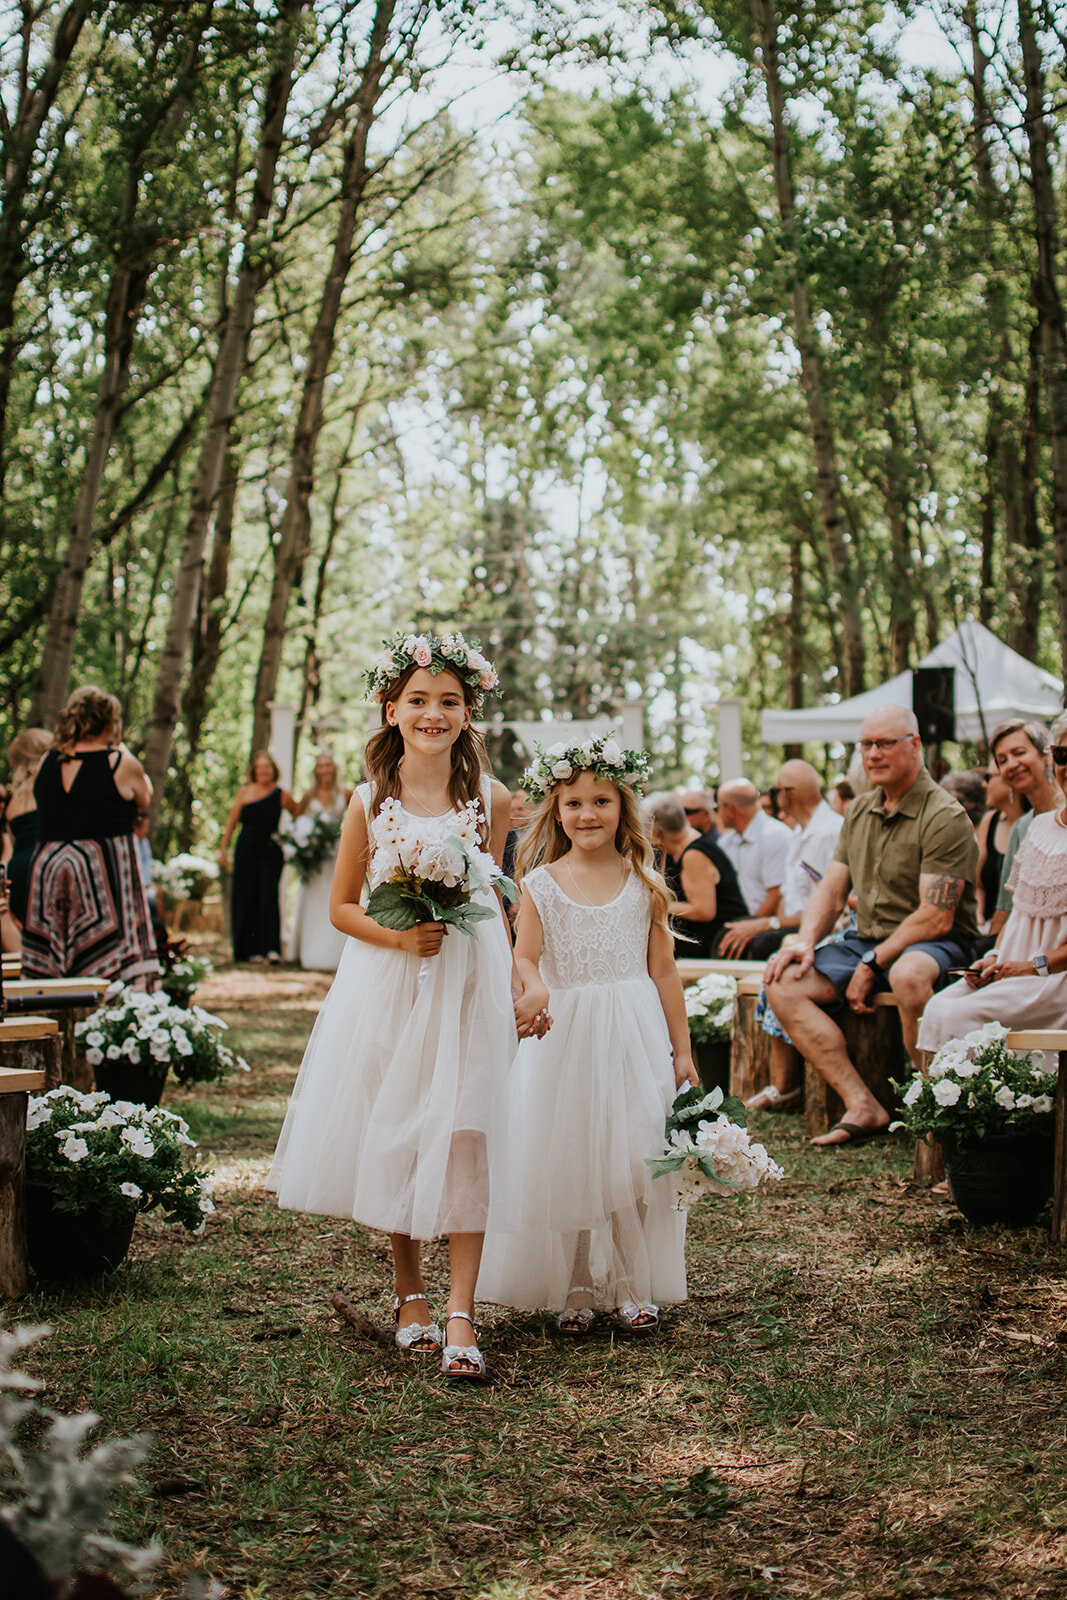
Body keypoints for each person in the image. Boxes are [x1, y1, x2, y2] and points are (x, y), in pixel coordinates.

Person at [268, 630, 525, 1382]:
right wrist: (401, 935)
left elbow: (499, 902)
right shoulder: (367, 801)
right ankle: (409, 1291)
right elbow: (341, 909)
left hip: (469, 981)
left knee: (467, 1132)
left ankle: (462, 1311)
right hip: (389, 983)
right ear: (391, 710)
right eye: (418, 700)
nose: (432, 713)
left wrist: (519, 984)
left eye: (449, 701)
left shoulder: (492, 801)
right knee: (399, 1132)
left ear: (468, 714)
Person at [477, 734, 696, 1335]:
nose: (587, 814)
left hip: (632, 1030)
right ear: (556, 811)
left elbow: (664, 970)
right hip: (565, 1033)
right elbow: (523, 959)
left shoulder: (643, 881)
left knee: (630, 1152)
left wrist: (681, 1049)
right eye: (573, 803)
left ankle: (628, 1276)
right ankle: (574, 1278)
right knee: (570, 1149)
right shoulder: (541, 884)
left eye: (601, 801)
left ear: (623, 807)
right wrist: (535, 985)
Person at [765, 705, 978, 1147]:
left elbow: (936, 916)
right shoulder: (859, 810)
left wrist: (872, 961)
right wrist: (805, 941)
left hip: (938, 941)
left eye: (885, 743)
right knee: (783, 981)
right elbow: (832, 889)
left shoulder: (945, 814)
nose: (873, 754)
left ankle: (938, 1116)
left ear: (915, 745)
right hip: (869, 939)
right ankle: (863, 1104)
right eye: (866, 744)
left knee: (908, 974)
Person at [917, 710, 1067, 1052]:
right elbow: (1017, 917)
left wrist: (1031, 967)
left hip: (1053, 981)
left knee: (958, 1014)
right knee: (939, 1006)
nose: (1066, 765)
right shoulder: (1038, 827)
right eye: (1062, 755)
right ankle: (948, 1103)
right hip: (1019, 969)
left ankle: (998, 1101)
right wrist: (996, 957)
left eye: (1019, 752)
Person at [21, 686, 159, 989]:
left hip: (51, 870)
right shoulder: (120, 763)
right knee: (112, 962)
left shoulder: (47, 761)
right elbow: (144, 798)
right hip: (103, 873)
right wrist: (121, 748)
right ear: (110, 724)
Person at [719, 760, 842, 960]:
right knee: (732, 936)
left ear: (786, 793)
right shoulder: (800, 832)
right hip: (791, 926)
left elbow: (835, 907)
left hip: (820, 934)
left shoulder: (831, 832)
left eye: (775, 790)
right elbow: (787, 897)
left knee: (760, 944)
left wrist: (768, 924)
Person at [645, 792, 748, 958]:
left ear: (657, 832)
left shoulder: (695, 854)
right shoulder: (675, 851)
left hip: (722, 941)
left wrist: (657, 906)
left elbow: (704, 911)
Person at [219, 751, 297, 964]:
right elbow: (231, 822)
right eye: (260, 767)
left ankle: (271, 948)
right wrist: (223, 849)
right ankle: (248, 950)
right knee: (247, 896)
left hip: (271, 853)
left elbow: (299, 815)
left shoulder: (281, 794)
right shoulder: (245, 792)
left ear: (273, 770)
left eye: (267, 767)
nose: (264, 771)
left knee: (268, 897)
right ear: (254, 771)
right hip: (245, 852)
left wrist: (290, 840)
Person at [986, 719, 1058, 939]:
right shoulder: (1021, 828)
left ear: (1046, 756)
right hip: (1023, 940)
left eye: (1019, 752)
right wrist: (990, 957)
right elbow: (1006, 907)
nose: (1012, 764)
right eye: (1002, 760)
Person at [291, 750, 350, 970]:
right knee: (314, 898)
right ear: (316, 770)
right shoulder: (309, 795)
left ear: (333, 769)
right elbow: (297, 820)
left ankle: (335, 953)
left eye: (328, 765)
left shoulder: (345, 794)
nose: (325, 769)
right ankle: (309, 950)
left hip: (336, 854)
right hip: (315, 858)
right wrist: (303, 842)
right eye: (321, 765)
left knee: (336, 897)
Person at [716, 779, 792, 920]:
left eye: (718, 807)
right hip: (736, 921)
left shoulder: (776, 835)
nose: (717, 813)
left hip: (769, 925)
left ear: (731, 810)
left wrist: (749, 925)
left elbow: (777, 894)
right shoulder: (725, 842)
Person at [3, 727, 50, 926]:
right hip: (44, 866)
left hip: (17, 872)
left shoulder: (13, 799)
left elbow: (13, 842)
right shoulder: (50, 786)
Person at [975, 762, 1028, 927]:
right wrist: (978, 915)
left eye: (989, 777)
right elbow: (978, 885)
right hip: (985, 928)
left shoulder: (1033, 826)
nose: (984, 784)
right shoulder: (989, 821)